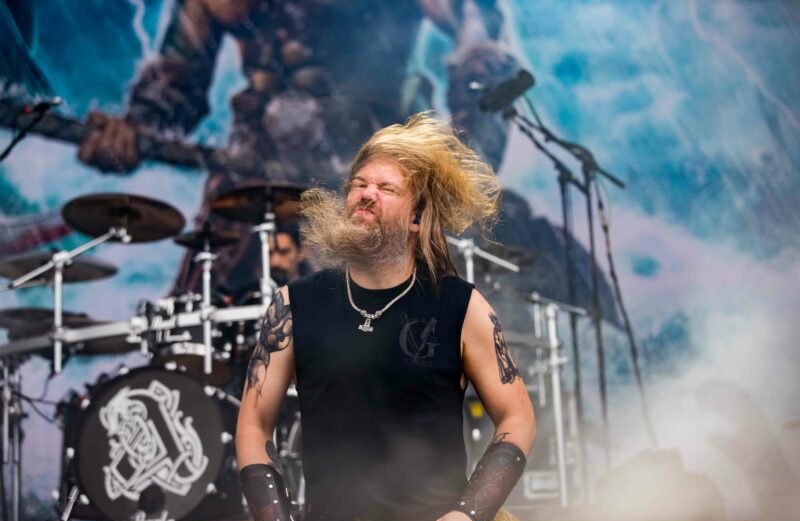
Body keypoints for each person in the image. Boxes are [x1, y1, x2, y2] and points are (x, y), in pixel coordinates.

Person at [76, 0, 519, 300]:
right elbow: (178, 81)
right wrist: (135, 128)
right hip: (252, 192)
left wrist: (464, 159)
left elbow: (481, 42)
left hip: (368, 190)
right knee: (203, 340)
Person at [235, 113, 536, 521]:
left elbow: (517, 416)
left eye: (386, 188)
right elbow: (253, 423)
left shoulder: (460, 306)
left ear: (417, 217)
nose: (366, 194)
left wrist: (472, 513)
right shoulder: (293, 304)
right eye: (358, 184)